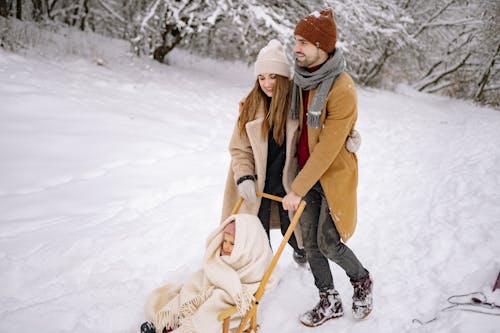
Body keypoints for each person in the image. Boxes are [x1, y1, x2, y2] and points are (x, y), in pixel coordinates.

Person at [221, 39, 361, 266]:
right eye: (262, 77)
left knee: (295, 231)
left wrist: (347, 137)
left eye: (273, 76)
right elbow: (239, 149)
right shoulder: (249, 106)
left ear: (285, 78)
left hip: (289, 181)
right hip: (257, 182)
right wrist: (244, 176)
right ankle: (257, 274)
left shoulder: (298, 105)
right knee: (257, 232)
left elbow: (322, 132)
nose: (267, 84)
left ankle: (301, 252)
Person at [281, 8, 373, 327]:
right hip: (306, 173)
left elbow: (327, 151)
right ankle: (329, 299)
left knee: (329, 242)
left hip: (330, 176)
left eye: (303, 42)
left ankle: (361, 280)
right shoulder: (301, 79)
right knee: (310, 241)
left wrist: (296, 189)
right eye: (295, 41)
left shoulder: (341, 88)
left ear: (323, 45)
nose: (296, 48)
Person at [140, 214, 277, 333]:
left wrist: (222, 290)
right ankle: (167, 322)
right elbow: (210, 271)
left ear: (245, 247)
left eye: (232, 244)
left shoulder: (252, 264)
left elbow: (245, 291)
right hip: (207, 287)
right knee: (191, 291)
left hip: (227, 298)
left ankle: (184, 329)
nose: (226, 247)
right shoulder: (220, 258)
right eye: (225, 241)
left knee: (209, 310)